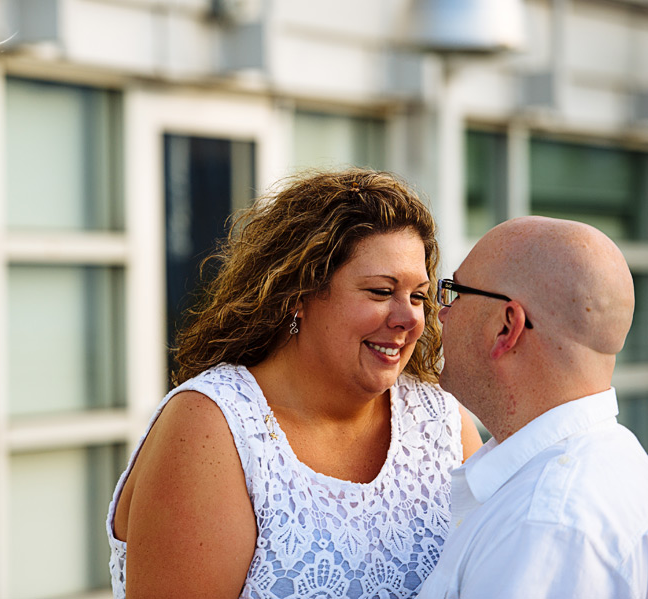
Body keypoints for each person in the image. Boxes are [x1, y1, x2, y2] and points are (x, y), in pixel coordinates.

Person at [106, 168, 482, 598]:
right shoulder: (211, 427)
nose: (410, 318)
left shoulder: (441, 422)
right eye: (381, 292)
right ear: (298, 295)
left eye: (418, 295)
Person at [417, 216, 648, 599]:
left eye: (455, 293)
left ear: (507, 327)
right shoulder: (620, 463)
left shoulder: (543, 528)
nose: (441, 313)